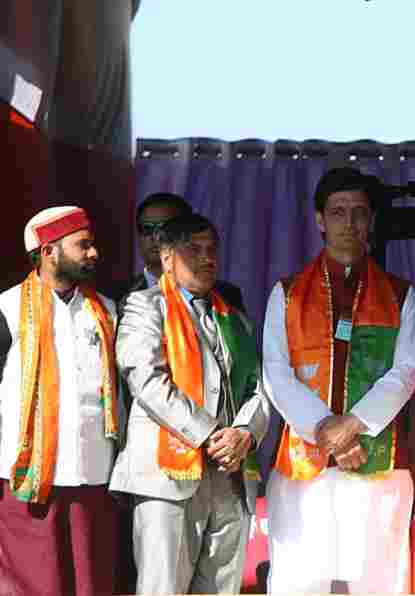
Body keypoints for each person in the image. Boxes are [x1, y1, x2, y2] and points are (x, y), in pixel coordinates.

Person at [262, 166, 415, 593]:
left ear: (371, 220)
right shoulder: (289, 291)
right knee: (300, 578)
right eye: (337, 212)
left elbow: (405, 371)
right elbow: (275, 371)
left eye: (358, 213)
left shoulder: (400, 293)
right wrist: (324, 429)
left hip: (376, 461)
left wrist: (351, 425)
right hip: (305, 462)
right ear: (319, 220)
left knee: (380, 578)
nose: (348, 224)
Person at [110, 214, 270, 594]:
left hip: (229, 477)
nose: (206, 258)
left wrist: (245, 434)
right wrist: (212, 434)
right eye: (193, 250)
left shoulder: (235, 320)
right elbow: (147, 380)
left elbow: (261, 389)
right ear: (166, 258)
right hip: (167, 476)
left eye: (212, 250)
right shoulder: (143, 307)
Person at [0, 207, 121, 595]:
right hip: (25, 478)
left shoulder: (106, 311)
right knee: (35, 586)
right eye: (82, 245)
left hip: (93, 474)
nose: (93, 253)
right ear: (49, 250)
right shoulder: (6, 308)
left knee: (92, 585)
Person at [102, 192, 246, 314]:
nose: (155, 236)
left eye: (165, 227)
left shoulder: (225, 296)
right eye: (147, 228)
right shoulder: (116, 298)